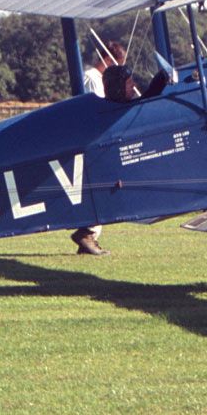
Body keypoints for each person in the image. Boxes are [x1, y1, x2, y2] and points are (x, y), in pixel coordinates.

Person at [71, 41, 127, 256]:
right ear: (108, 60)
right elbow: (100, 107)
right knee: (104, 187)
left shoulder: (92, 77)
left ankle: (89, 236)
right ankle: (87, 233)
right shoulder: (93, 78)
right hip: (93, 141)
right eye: (118, 64)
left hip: (92, 140)